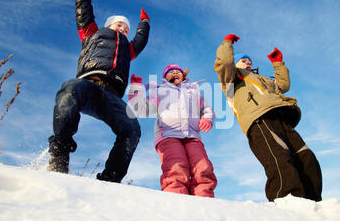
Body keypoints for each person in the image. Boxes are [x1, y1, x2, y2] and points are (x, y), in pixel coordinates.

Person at [47, 0, 150, 184]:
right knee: (69, 90)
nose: (123, 29)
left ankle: (111, 178)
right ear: (109, 25)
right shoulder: (91, 33)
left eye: (126, 28)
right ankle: (59, 155)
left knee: (132, 129)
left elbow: (140, 42)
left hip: (112, 96)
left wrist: (144, 25)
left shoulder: (128, 49)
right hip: (89, 86)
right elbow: (83, 9)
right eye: (119, 25)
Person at [214, 34, 322, 201]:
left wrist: (277, 63)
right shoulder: (231, 80)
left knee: (305, 156)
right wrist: (227, 44)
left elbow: (283, 86)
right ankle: (284, 200)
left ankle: (312, 201)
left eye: (249, 61)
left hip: (280, 117)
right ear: (235, 64)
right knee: (279, 158)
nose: (248, 62)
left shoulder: (263, 80)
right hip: (259, 120)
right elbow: (224, 64)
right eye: (243, 60)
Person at [127, 64, 217, 197]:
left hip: (193, 136)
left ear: (183, 76)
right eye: (171, 72)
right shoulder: (159, 91)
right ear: (165, 77)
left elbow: (206, 109)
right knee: (175, 167)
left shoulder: (194, 92)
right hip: (168, 135)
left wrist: (207, 119)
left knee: (203, 167)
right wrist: (135, 89)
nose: (175, 73)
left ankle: (204, 198)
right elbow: (140, 109)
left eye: (178, 71)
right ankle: (176, 198)